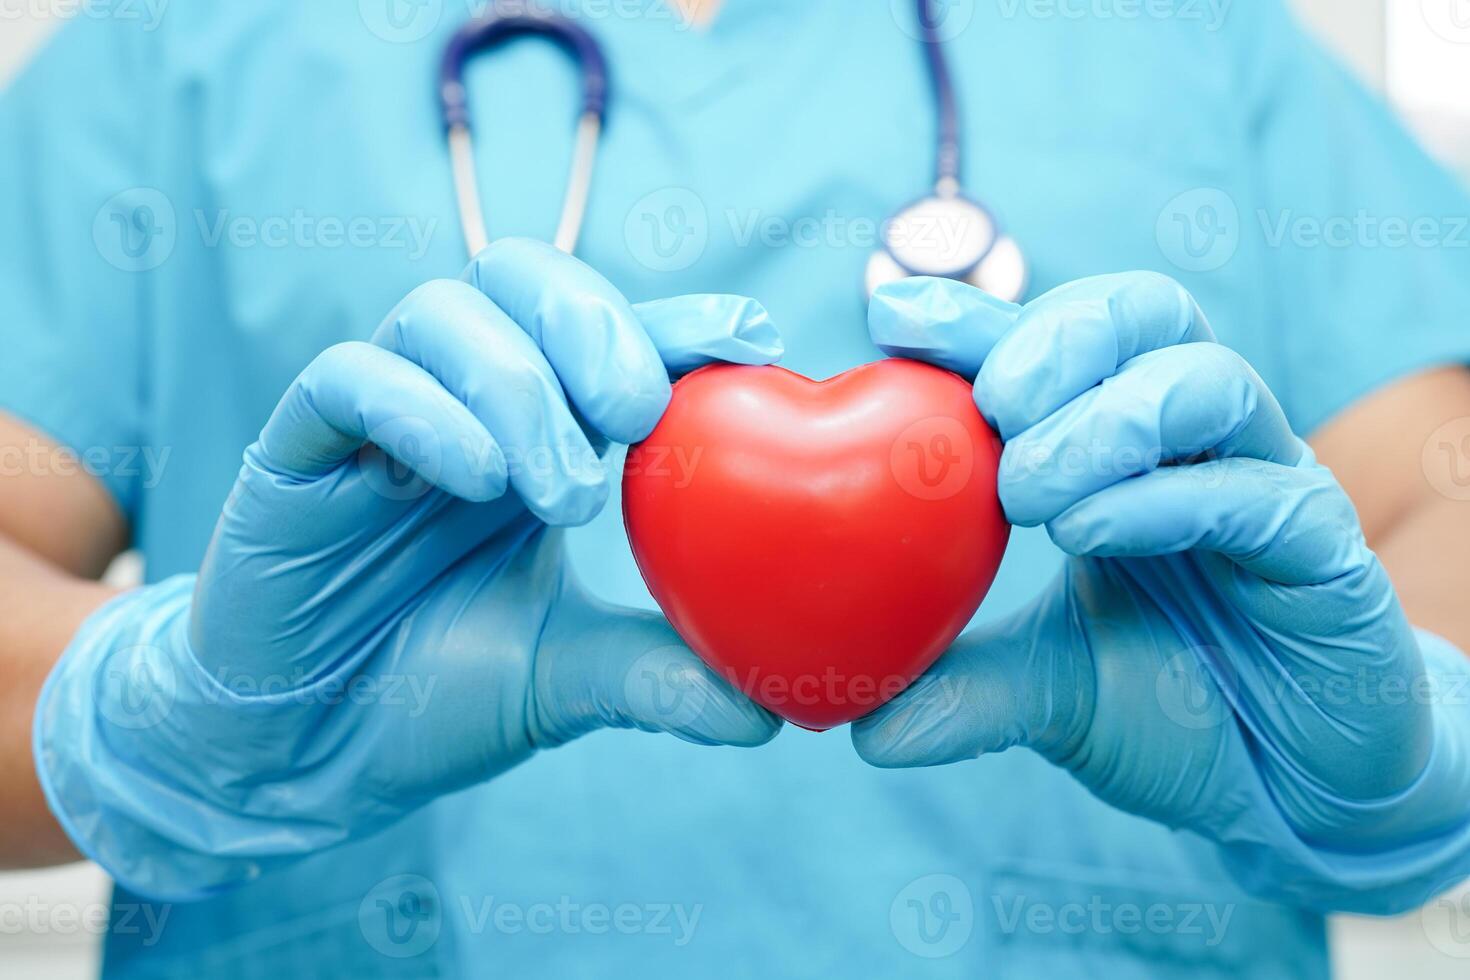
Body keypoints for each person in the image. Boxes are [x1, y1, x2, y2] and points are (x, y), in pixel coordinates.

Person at [2, 0, 1469, 976]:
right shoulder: (185, 41)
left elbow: (1433, 503)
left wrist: (1408, 737)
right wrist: (169, 722)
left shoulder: (1182, 38)